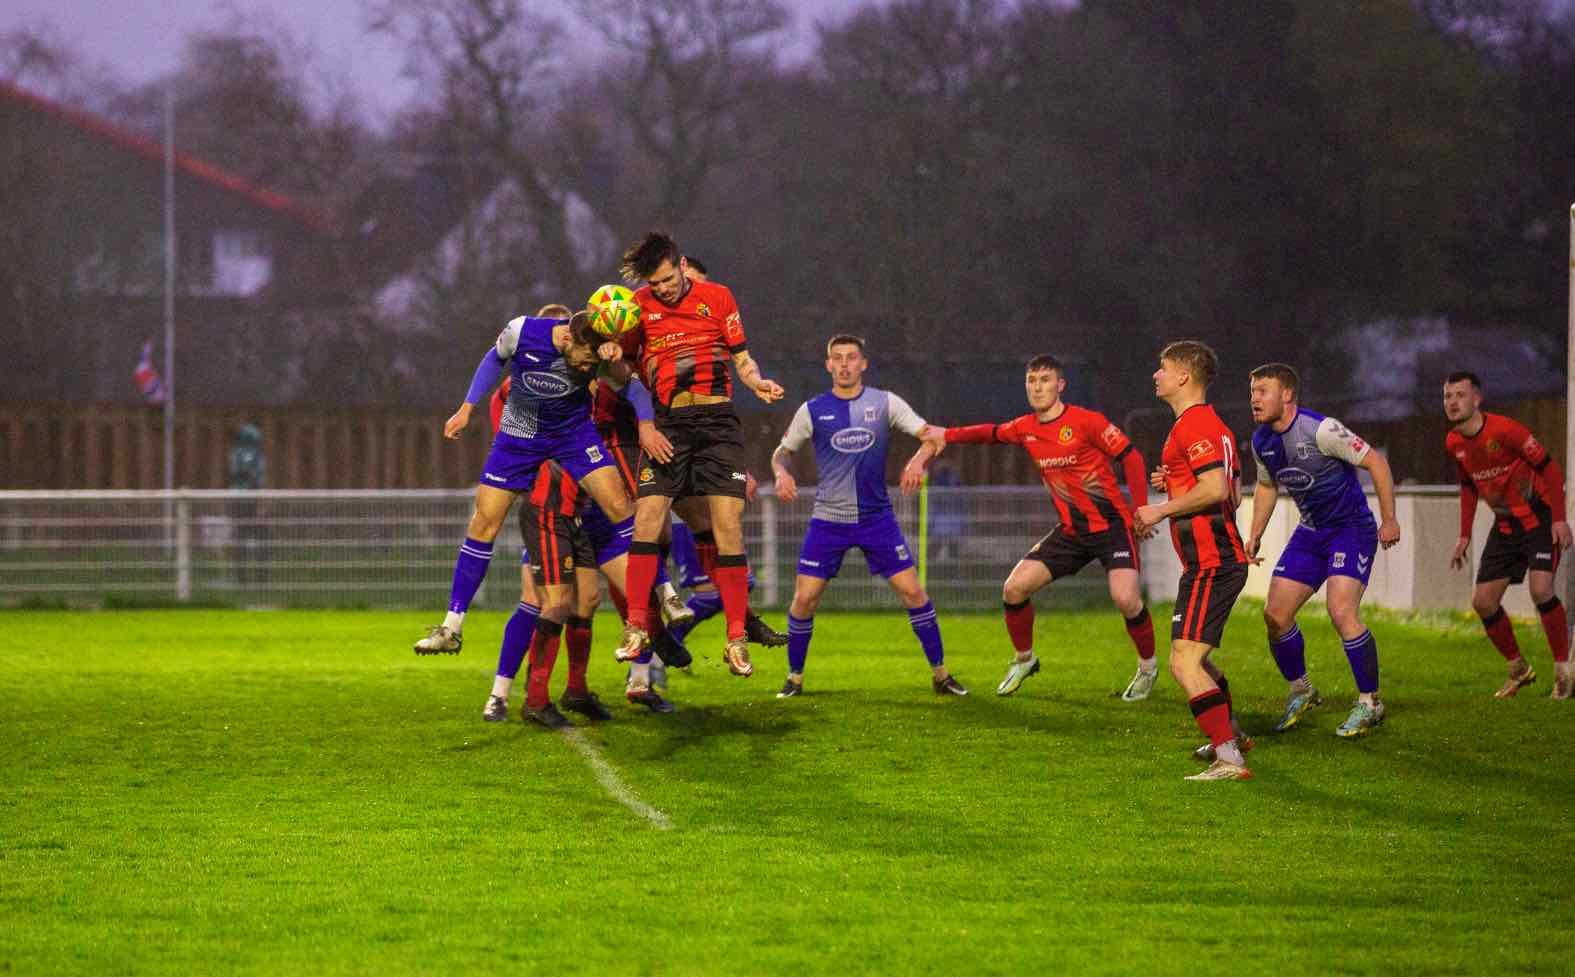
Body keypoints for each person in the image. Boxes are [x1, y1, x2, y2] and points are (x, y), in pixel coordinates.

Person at [907, 355, 1156, 700]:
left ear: (1060, 385)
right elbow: (990, 433)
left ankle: (1147, 667)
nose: (1037, 387)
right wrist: (946, 435)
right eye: (1032, 380)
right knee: (1013, 589)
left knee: (1126, 598)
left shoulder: (1087, 422)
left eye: (1045, 379)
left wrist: (1140, 508)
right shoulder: (1026, 428)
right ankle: (1024, 659)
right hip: (1071, 533)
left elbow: (1132, 457)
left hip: (1111, 527)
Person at [614, 232, 784, 684]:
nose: (664, 289)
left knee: (726, 527)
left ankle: (735, 637)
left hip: (717, 427)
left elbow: (742, 358)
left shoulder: (718, 297)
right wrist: (618, 364)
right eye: (656, 283)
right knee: (647, 519)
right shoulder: (637, 307)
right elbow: (627, 375)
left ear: (682, 264)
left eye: (669, 279)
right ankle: (636, 627)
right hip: (668, 427)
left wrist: (757, 382)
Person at [413, 307, 635, 655]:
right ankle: (451, 627)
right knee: (483, 522)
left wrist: (616, 357)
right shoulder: (522, 332)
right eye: (583, 360)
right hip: (520, 437)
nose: (584, 368)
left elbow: (625, 381)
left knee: (620, 505)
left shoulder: (594, 350)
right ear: (566, 339)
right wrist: (467, 407)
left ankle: (650, 609)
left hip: (572, 434)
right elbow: (493, 358)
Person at [772, 334, 965, 696]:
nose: (844, 364)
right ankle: (794, 678)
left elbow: (931, 437)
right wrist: (782, 472)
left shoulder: (885, 402)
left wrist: (918, 460)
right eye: (838, 358)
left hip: (876, 519)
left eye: (851, 358)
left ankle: (941, 675)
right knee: (804, 599)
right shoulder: (812, 410)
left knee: (914, 593)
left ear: (864, 364)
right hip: (829, 520)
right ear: (828, 365)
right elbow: (781, 453)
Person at [1245, 363, 1401, 737]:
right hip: (1311, 533)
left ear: (1287, 394)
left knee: (1341, 611)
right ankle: (1302, 689)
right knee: (1275, 615)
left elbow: (1376, 463)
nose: (1254, 399)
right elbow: (1267, 487)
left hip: (1351, 530)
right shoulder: (1261, 441)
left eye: (1262, 390)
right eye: (1252, 391)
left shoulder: (1322, 430)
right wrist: (1254, 534)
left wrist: (1389, 519)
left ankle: (1370, 702)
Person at [1131, 340, 1253, 781]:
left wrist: (1159, 508)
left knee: (1184, 663)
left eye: (1162, 368)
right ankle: (1232, 735)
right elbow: (1229, 491)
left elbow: (1218, 490)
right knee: (1193, 657)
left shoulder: (1195, 424)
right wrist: (1175, 484)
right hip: (1209, 560)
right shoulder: (1203, 425)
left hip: (1213, 561)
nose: (1156, 376)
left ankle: (1229, 759)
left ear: (1184, 376)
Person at [1444, 371, 1572, 699]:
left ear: (1477, 399)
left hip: (1538, 518)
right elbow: (1469, 486)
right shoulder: (1454, 442)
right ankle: (1519, 669)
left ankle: (1563, 670)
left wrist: (1559, 519)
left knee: (1541, 590)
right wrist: (1463, 535)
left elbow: (1550, 468)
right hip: (1505, 526)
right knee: (1483, 602)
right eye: (1447, 396)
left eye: (1460, 395)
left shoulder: (1506, 430)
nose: (1452, 402)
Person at [227, 423, 267, 587]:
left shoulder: (235, 454)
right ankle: (259, 578)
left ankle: (242, 577)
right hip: (249, 501)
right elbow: (257, 480)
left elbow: (237, 475)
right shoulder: (257, 456)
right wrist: (260, 505)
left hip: (238, 501)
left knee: (242, 539)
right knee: (260, 539)